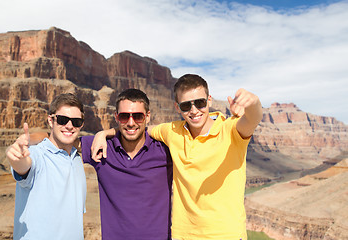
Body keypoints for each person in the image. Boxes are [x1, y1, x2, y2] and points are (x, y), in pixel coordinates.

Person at [92, 74, 263, 240]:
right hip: (183, 235)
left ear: (209, 100)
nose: (194, 110)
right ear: (177, 107)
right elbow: (135, 128)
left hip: (226, 235)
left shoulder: (230, 129)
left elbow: (252, 120)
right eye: (186, 106)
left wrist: (253, 103)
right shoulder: (172, 131)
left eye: (200, 103)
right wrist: (104, 133)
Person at [28, 89, 173, 240]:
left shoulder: (165, 150)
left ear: (147, 117)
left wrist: (105, 132)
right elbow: (58, 138)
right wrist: (25, 139)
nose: (131, 122)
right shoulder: (102, 148)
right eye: (124, 116)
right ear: (116, 117)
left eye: (138, 116)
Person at [6, 93, 87, 240]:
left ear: (81, 124)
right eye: (62, 120)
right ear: (51, 120)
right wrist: (17, 158)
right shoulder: (37, 155)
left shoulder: (76, 159)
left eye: (76, 121)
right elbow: (25, 167)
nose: (69, 126)